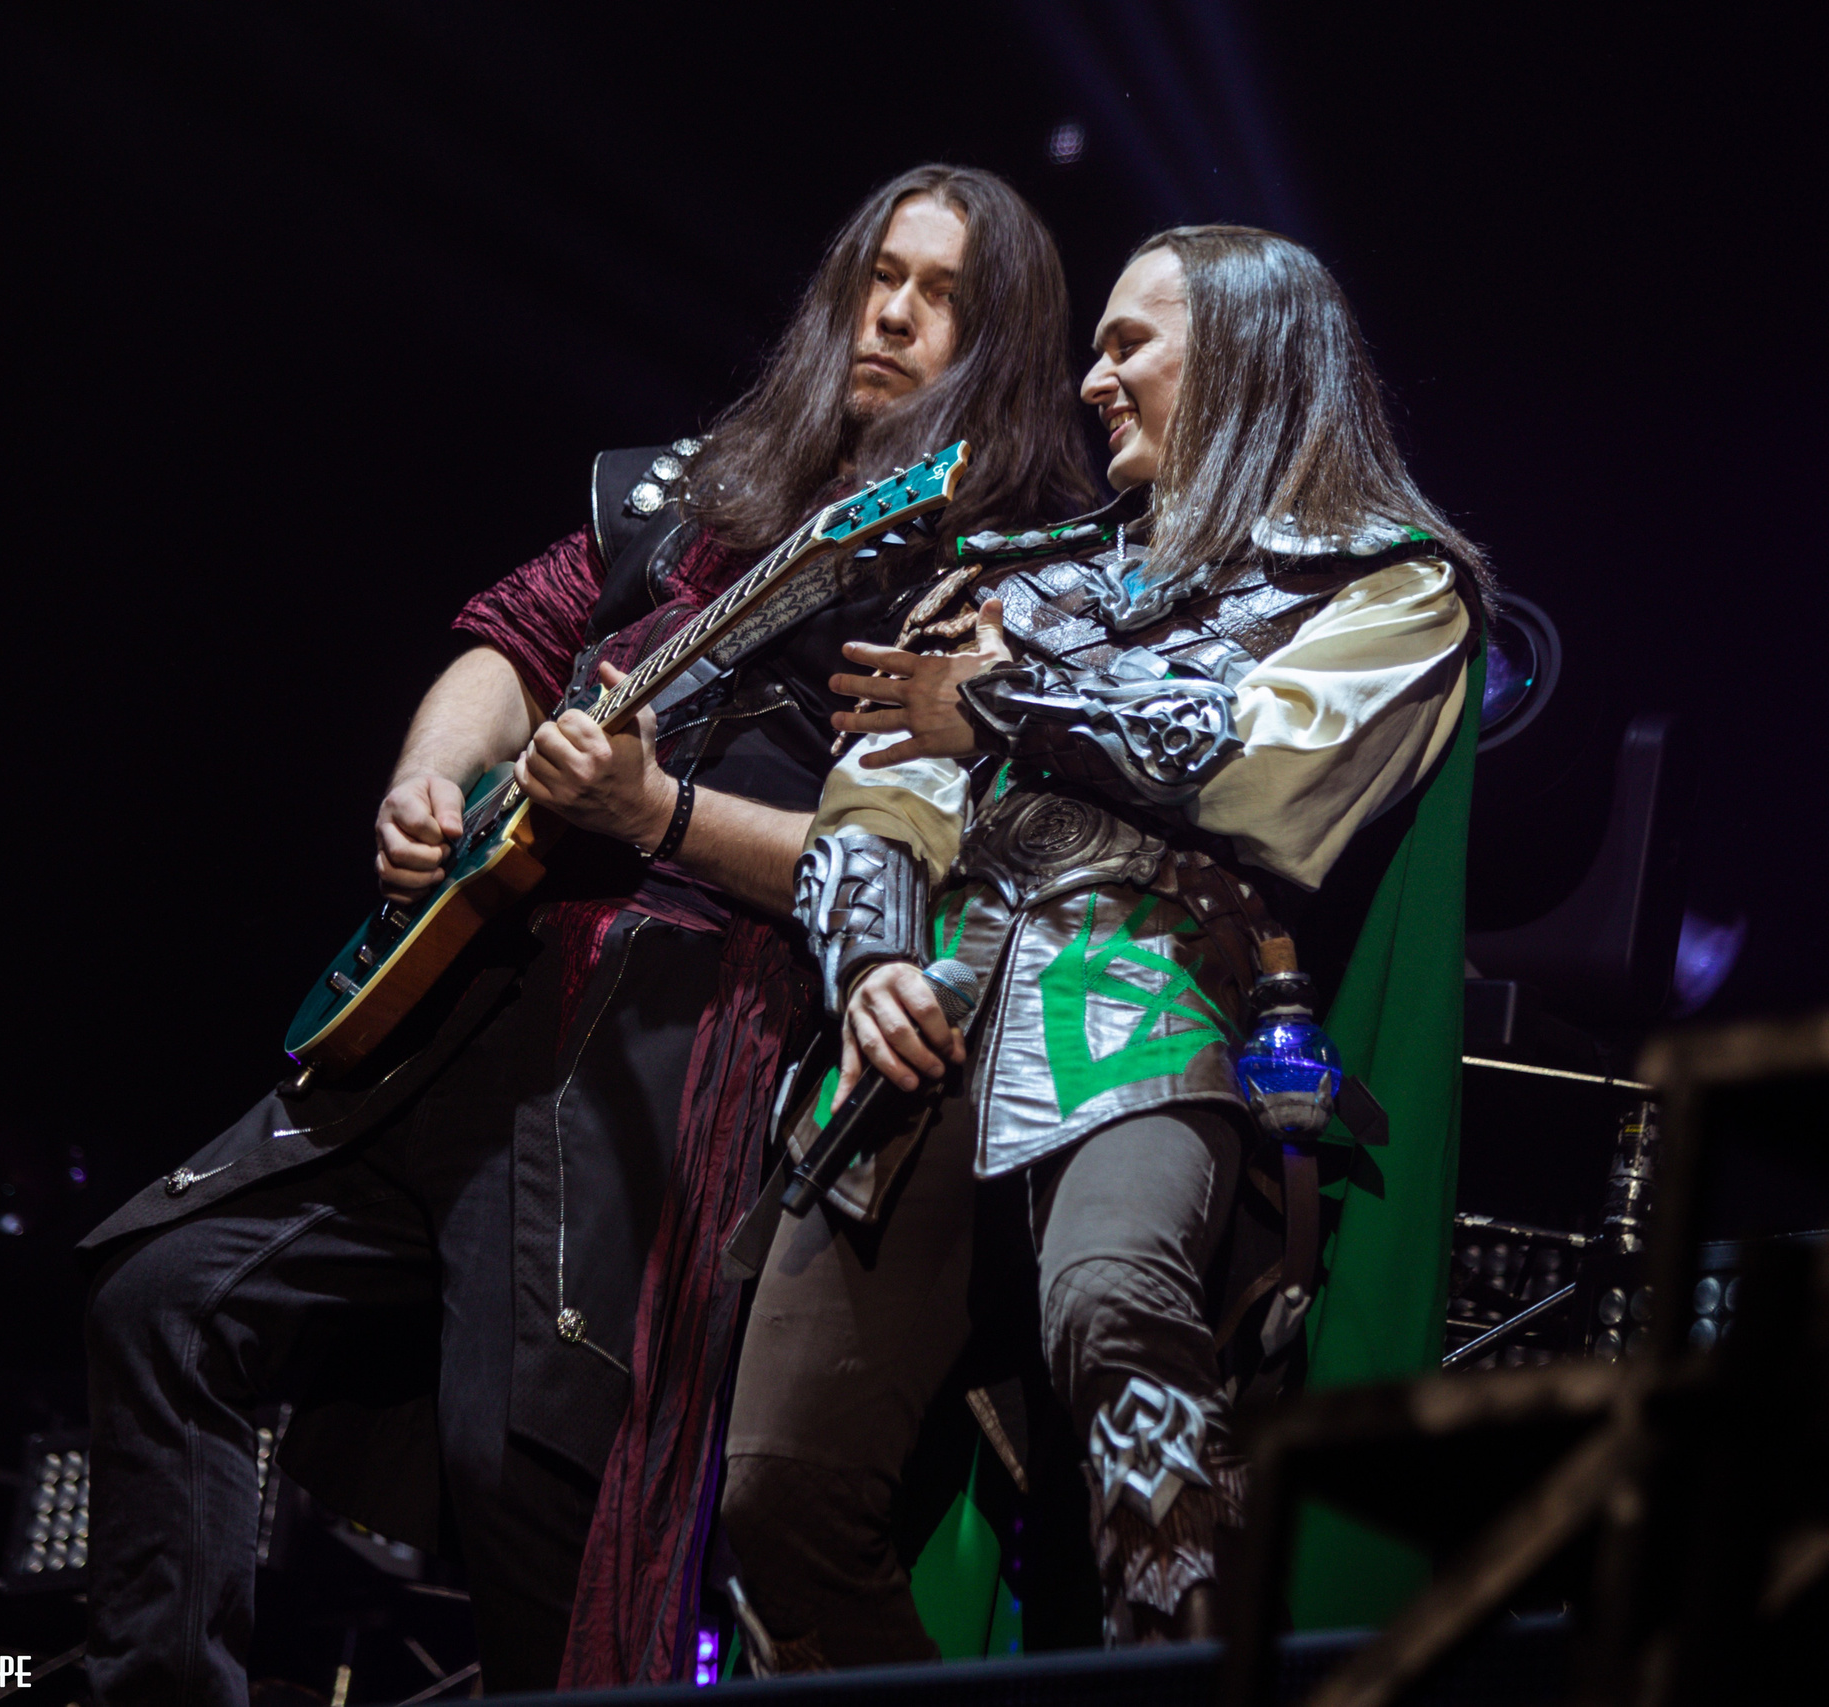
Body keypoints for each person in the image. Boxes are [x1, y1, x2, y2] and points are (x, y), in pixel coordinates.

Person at [77, 164, 1097, 1705]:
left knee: (533, 1472)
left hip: (669, 1031)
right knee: (161, 1299)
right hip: (464, 994)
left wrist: (659, 812)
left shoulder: (994, 576)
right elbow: (511, 636)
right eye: (880, 275)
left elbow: (915, 864)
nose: (892, 313)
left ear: (1002, 341)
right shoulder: (694, 493)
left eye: (942, 294)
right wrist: (432, 776)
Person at [719, 225, 1494, 1664]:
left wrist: (1007, 706)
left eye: (1130, 341)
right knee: (773, 1491)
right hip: (913, 1030)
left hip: (1148, 1013)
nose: (1091, 377)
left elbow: (1271, 779)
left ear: (1251, 356)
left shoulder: (1388, 589)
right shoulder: (1010, 576)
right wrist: (870, 956)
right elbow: (874, 797)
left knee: (1114, 1313)